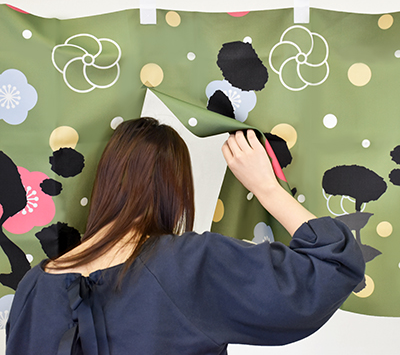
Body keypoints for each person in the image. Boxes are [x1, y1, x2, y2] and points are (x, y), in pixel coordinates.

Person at [6, 117, 365, 355]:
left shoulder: (34, 287)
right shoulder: (187, 265)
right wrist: (266, 188)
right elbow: (332, 266)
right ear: (176, 192)